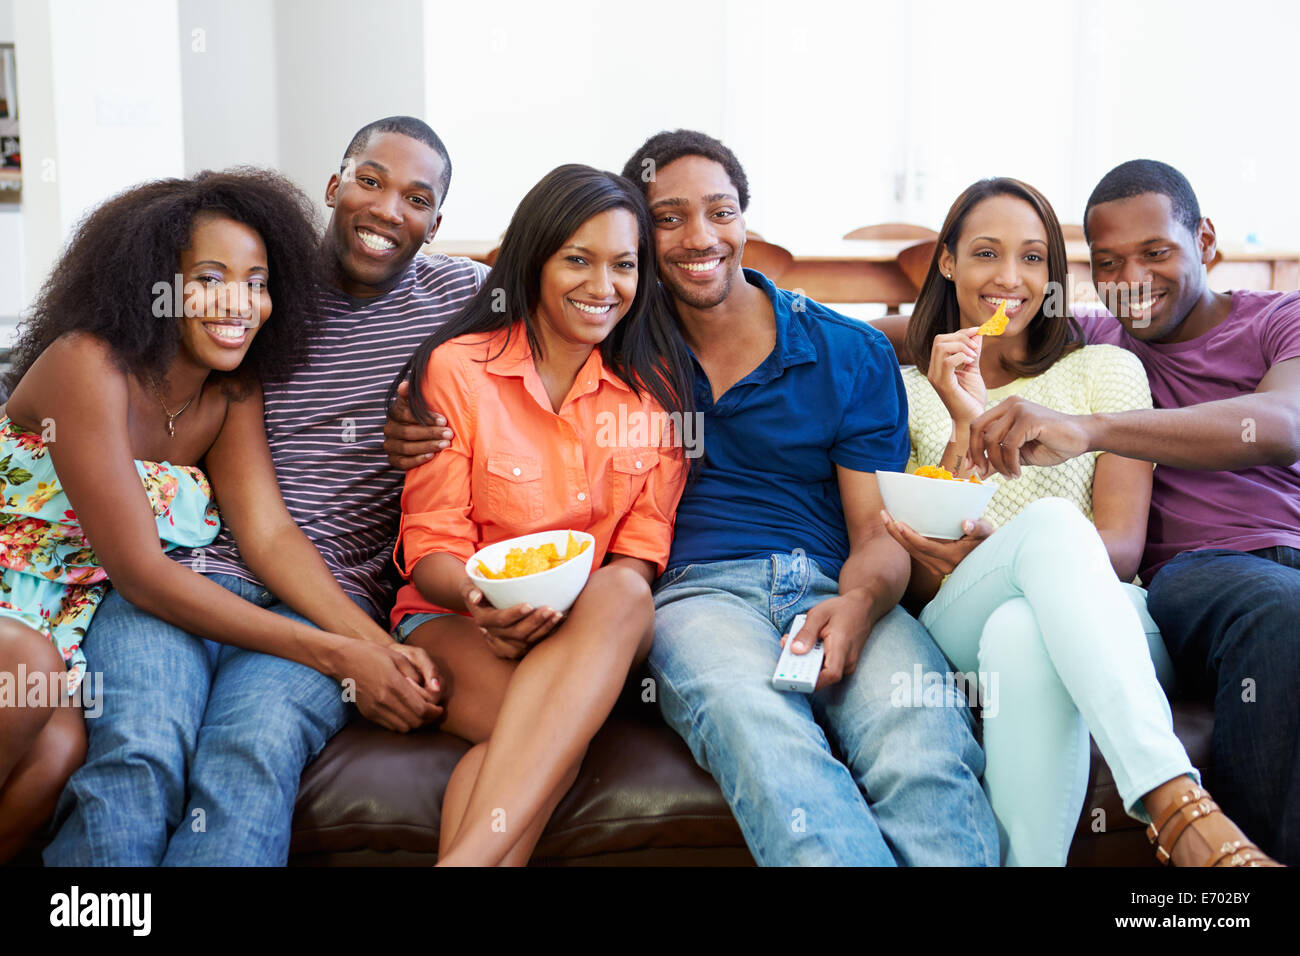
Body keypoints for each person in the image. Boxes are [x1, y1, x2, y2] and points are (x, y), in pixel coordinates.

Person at [391, 131, 1000, 866]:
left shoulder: (834, 355)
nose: (699, 236)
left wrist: (862, 602)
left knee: (924, 746)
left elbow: (877, 530)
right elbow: (498, 323)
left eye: (720, 211)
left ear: (747, 218)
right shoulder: (625, 354)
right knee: (764, 744)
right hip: (689, 597)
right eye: (669, 218)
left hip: (821, 585)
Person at [43, 116, 482, 866]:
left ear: (436, 223)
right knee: (138, 753)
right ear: (333, 185)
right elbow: (246, 525)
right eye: (369, 180)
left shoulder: (465, 296)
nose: (385, 210)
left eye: (415, 198)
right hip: (189, 572)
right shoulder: (258, 289)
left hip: (335, 586)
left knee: (249, 755)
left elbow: (578, 282)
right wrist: (355, 653)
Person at [874, 175, 1276, 867]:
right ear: (946, 261)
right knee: (1050, 534)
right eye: (986, 254)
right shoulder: (901, 388)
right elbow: (921, 561)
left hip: (1109, 609)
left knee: (1024, 628)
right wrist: (965, 412)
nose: (1010, 278)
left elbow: (1119, 547)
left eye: (1032, 258)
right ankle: (1177, 807)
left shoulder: (1105, 371)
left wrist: (1019, 547)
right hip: (956, 608)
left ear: (1055, 276)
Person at [388, 163, 692, 866]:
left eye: (623, 265)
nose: (602, 286)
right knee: (542, 742)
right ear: (534, 260)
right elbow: (431, 543)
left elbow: (641, 552)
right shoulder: (457, 371)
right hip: (459, 622)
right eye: (577, 260)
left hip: (590, 631)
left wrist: (567, 621)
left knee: (622, 588)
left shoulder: (654, 394)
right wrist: (480, 599)